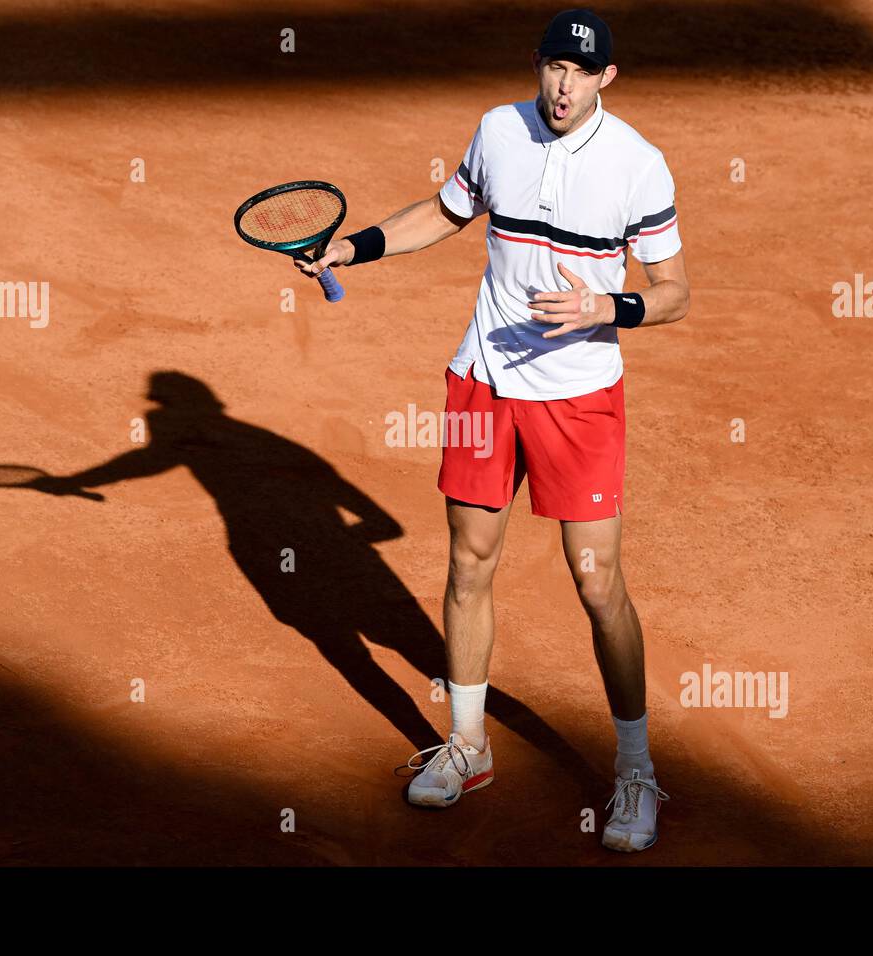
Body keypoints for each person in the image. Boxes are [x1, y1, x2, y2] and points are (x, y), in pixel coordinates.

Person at [296, 7, 690, 852]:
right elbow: (443, 214)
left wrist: (603, 306)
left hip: (579, 396)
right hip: (485, 381)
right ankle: (468, 747)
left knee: (596, 584)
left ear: (605, 81)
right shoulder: (498, 132)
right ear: (539, 66)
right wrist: (351, 249)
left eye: (581, 73)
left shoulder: (638, 166)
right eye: (553, 67)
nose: (562, 85)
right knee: (469, 561)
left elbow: (673, 291)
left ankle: (633, 771)